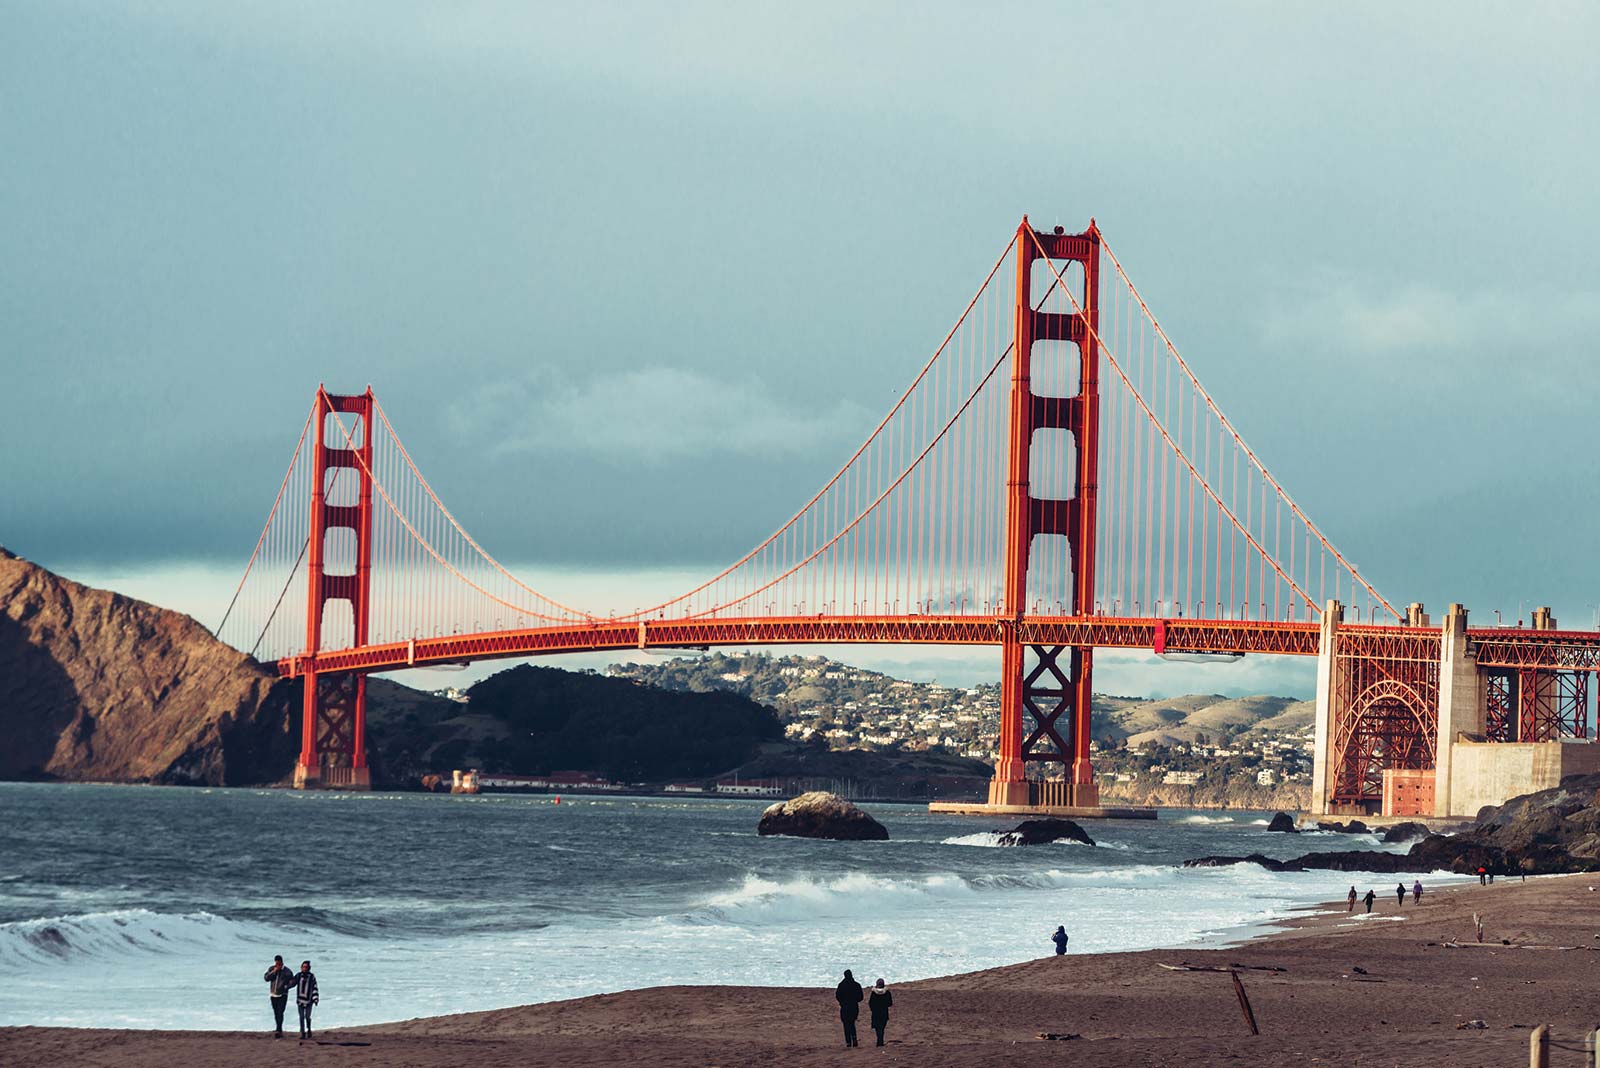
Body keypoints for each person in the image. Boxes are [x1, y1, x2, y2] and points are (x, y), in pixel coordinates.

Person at [263, 955, 295, 1038]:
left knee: (280, 1012)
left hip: (282, 994)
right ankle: (278, 1027)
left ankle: (279, 1029)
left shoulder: (287, 971)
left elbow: (292, 982)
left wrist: (286, 987)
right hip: (273, 994)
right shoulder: (271, 968)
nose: (277, 965)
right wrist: (274, 971)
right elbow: (266, 978)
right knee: (276, 1012)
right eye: (276, 963)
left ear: (281, 962)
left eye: (279, 963)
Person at [835, 969, 863, 1048]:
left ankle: (848, 1041)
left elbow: (838, 996)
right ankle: (854, 1038)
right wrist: (855, 1001)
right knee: (852, 1023)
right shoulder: (856, 985)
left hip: (844, 1007)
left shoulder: (841, 985)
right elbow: (860, 997)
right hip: (854, 1007)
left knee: (846, 1025)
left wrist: (842, 1002)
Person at [294, 959, 320, 1039]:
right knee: (301, 1017)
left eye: (306, 967)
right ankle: (302, 1033)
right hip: (300, 1000)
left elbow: (315, 987)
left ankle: (309, 1029)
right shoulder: (298, 975)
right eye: (303, 967)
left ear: (308, 968)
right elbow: (292, 983)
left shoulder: (311, 977)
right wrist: (285, 987)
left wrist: (315, 998)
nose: (304, 968)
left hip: (309, 1001)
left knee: (307, 1017)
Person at [867, 978, 893, 1047]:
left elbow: (870, 1003)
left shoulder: (873, 993)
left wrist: (872, 1009)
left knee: (877, 1028)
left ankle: (879, 1041)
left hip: (876, 1013)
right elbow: (890, 1003)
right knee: (882, 1027)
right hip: (884, 1012)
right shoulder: (887, 992)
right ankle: (880, 1041)